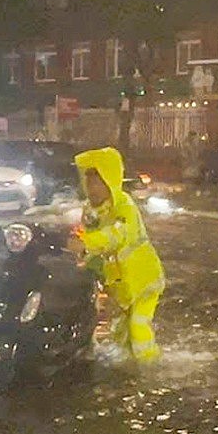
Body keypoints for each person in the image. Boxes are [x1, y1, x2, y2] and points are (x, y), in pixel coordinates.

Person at [67, 147, 165, 364]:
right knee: (120, 334)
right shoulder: (90, 210)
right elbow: (87, 241)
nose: (91, 188)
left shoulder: (124, 206)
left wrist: (86, 242)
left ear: (109, 181)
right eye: (88, 182)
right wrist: (81, 258)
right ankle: (128, 369)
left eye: (96, 182)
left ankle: (151, 369)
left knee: (139, 329)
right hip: (120, 287)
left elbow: (116, 235)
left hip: (143, 282)